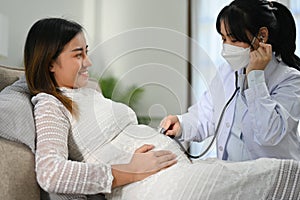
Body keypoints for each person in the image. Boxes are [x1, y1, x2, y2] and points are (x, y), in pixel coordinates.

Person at [25, 14, 299, 200]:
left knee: (270, 174)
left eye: (87, 51)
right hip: (149, 185)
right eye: (78, 54)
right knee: (277, 176)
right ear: (49, 62)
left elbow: (261, 129)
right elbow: (51, 172)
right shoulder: (50, 104)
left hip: (176, 173)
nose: (88, 62)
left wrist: (179, 125)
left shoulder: (88, 92)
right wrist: (128, 170)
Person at [160, 0, 300, 161]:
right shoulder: (227, 72)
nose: (226, 48)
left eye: (234, 40)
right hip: (233, 175)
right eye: (223, 39)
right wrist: (182, 124)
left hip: (273, 180)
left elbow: (269, 133)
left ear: (262, 36)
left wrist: (255, 77)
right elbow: (206, 115)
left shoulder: (290, 79)